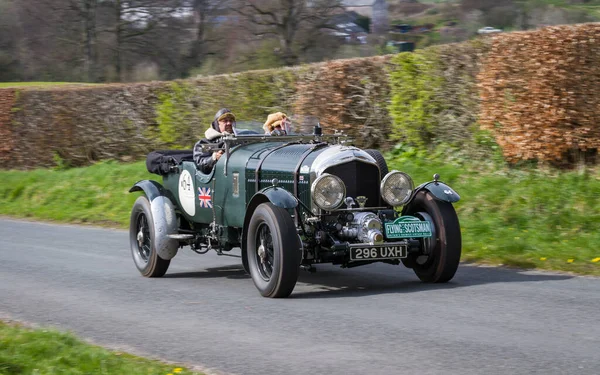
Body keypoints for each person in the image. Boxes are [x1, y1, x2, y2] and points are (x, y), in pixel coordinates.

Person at [193, 108, 236, 174]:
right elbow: (201, 164)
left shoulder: (239, 140)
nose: (229, 123)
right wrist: (213, 158)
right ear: (217, 124)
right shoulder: (204, 143)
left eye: (231, 121)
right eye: (225, 121)